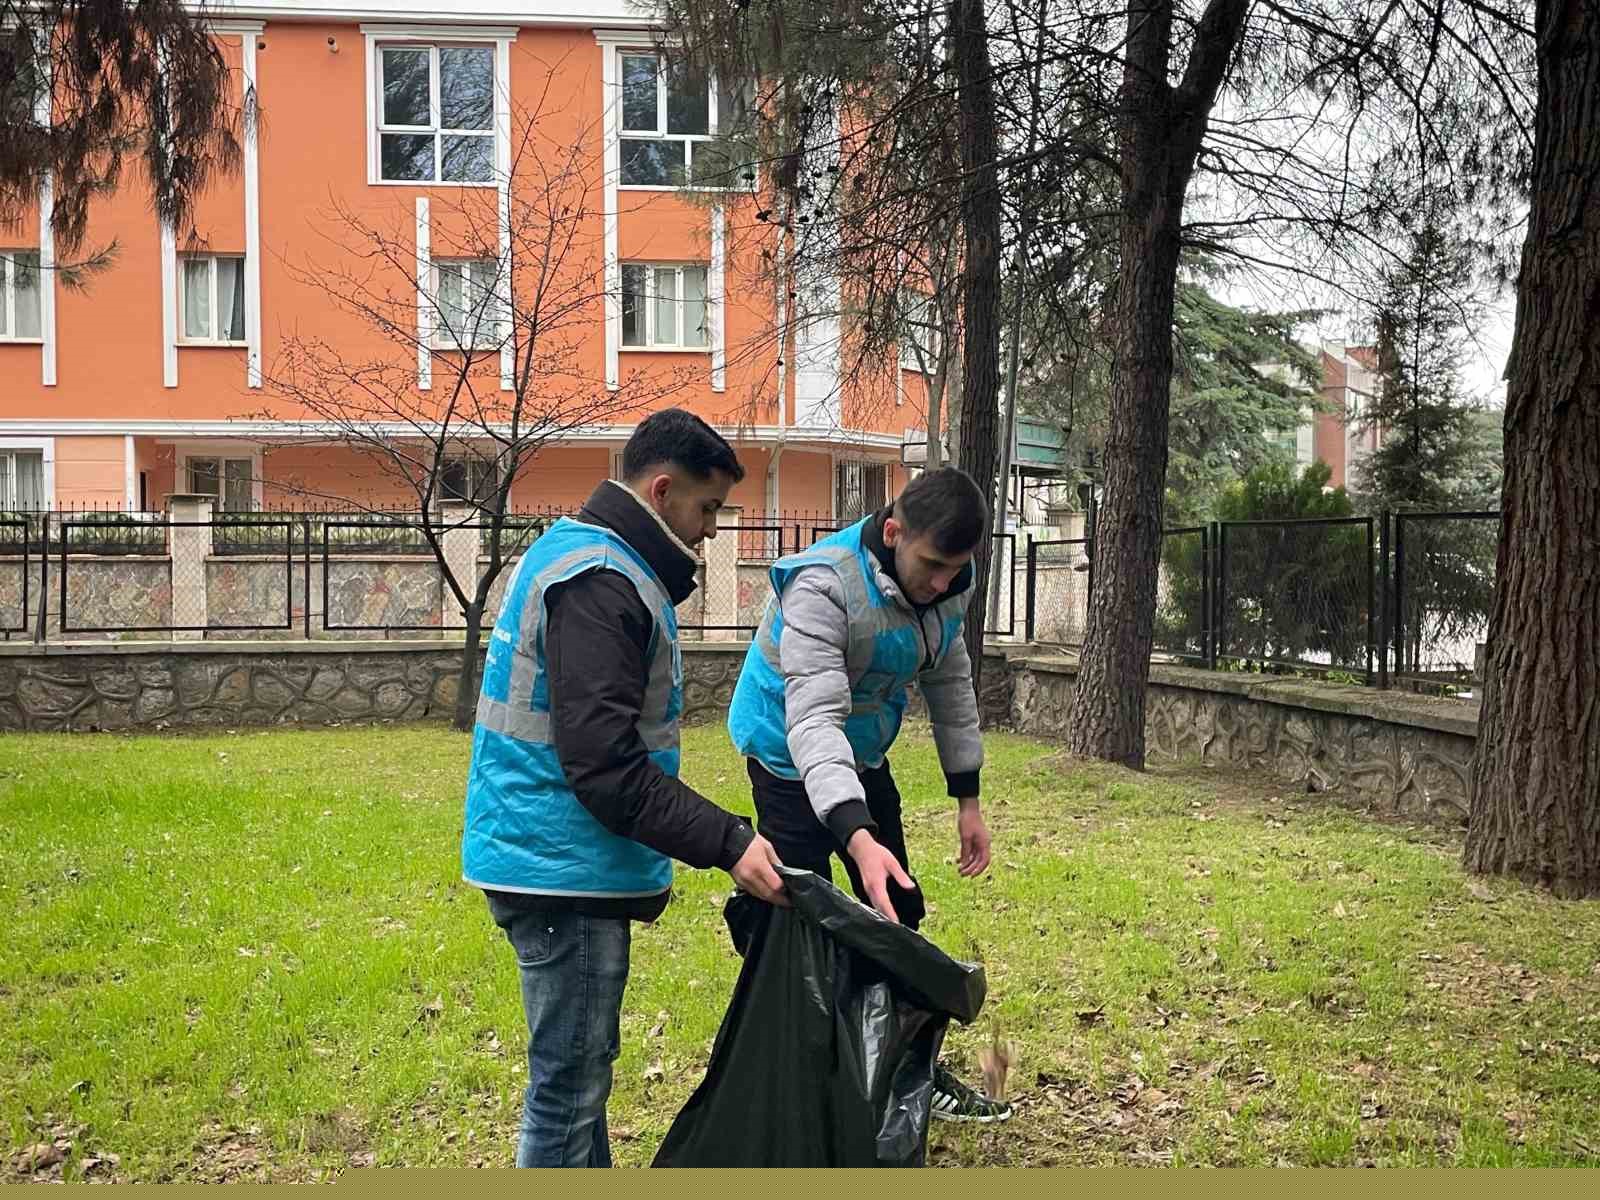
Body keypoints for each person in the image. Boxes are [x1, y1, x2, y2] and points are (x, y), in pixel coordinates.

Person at [462, 409, 787, 1168]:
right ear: (664, 489)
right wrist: (730, 842)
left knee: (578, 1086)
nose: (711, 530)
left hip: (556, 859)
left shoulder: (595, 562)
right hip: (560, 870)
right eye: (707, 509)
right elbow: (605, 767)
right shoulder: (602, 584)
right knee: (566, 1095)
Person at [726, 465, 1012, 1124]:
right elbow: (814, 721)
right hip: (786, 748)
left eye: (957, 569)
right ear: (893, 532)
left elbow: (950, 683)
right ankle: (807, 1075)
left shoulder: (948, 586)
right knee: (799, 918)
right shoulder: (822, 587)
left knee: (896, 907)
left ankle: (910, 1071)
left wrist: (966, 798)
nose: (944, 583)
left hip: (859, 751)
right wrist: (858, 837)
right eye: (934, 564)